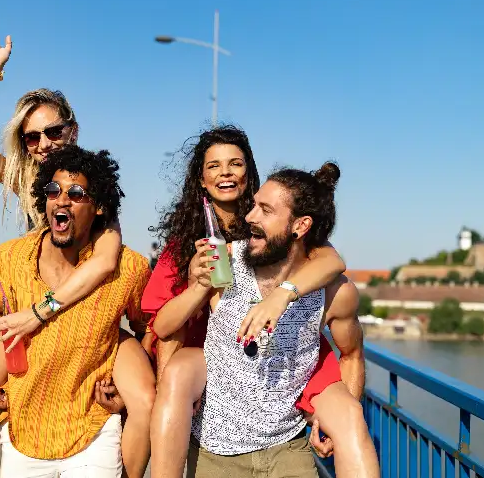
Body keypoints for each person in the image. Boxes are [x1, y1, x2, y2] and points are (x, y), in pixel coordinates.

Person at [0, 24, 155, 476]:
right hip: (35, 318)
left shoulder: (95, 194)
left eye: (53, 132)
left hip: (88, 315)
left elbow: (106, 264)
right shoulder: (27, 183)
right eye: (32, 137)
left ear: (72, 130)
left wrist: (38, 312)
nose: (43, 144)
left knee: (141, 397)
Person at [144, 126, 378, 478]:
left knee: (348, 417)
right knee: (178, 373)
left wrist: (284, 295)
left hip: (284, 389)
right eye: (213, 166)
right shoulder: (211, 254)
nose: (225, 172)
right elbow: (164, 330)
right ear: (201, 181)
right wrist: (197, 285)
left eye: (235, 163)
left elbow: (333, 264)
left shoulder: (316, 269)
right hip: (210, 376)